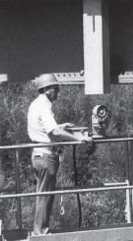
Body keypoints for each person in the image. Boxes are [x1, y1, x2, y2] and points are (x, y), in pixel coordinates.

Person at [27, 73, 92, 235]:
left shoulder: (36, 104)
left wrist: (62, 126)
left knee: (44, 193)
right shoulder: (44, 105)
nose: (58, 92)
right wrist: (78, 138)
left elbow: (46, 127)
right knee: (45, 195)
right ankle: (40, 231)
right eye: (56, 88)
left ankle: (40, 229)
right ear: (47, 89)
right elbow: (53, 131)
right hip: (45, 155)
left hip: (39, 154)